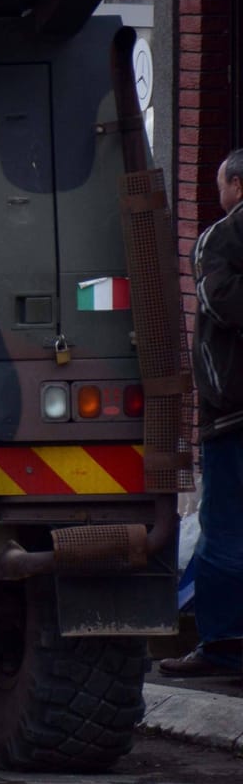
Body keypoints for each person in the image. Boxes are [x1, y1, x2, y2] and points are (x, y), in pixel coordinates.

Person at [163, 149, 243, 679]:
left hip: (233, 414)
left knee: (224, 532)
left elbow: (220, 304)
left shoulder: (220, 238)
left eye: (221, 185)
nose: (219, 196)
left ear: (236, 183)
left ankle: (223, 646)